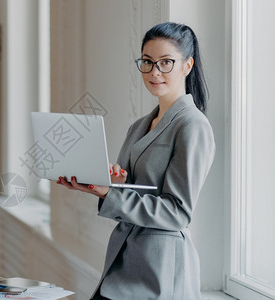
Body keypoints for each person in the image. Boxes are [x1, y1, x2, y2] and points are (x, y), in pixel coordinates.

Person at [57, 22, 215, 299]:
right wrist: (106, 184)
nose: (155, 72)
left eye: (166, 62)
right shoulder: (140, 126)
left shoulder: (192, 125)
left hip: (161, 271)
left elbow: (177, 213)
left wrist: (110, 193)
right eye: (147, 62)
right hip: (123, 262)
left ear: (187, 65)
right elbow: (131, 192)